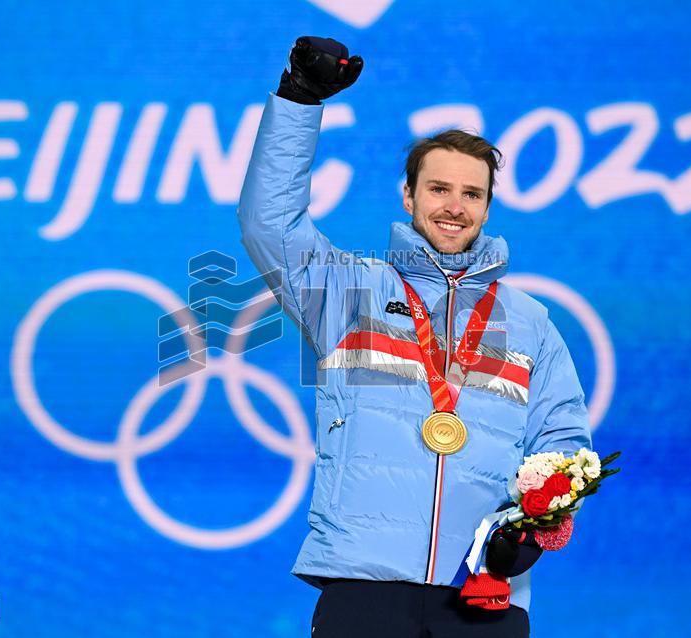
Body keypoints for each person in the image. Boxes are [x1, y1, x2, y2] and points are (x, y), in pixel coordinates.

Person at [238, 36, 592, 637]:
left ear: (488, 208)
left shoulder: (530, 321)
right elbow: (268, 223)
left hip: (483, 590)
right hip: (365, 585)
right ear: (409, 196)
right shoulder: (349, 293)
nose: (454, 207)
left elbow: (563, 443)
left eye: (472, 194)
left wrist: (529, 531)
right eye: (438, 189)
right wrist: (298, 101)